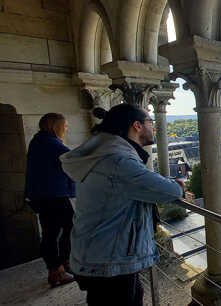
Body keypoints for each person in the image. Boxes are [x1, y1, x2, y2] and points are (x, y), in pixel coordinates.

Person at [60, 104, 185, 306]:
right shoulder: (118, 161)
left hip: (99, 254)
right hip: (110, 261)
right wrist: (177, 185)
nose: (153, 127)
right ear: (137, 126)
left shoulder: (105, 152)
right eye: (150, 122)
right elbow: (168, 191)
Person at [25, 113, 76, 287]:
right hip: (52, 195)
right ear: (55, 126)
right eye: (64, 125)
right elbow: (75, 159)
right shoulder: (50, 144)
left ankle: (61, 264)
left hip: (46, 194)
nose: (66, 129)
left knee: (56, 230)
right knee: (57, 231)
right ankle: (57, 269)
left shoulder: (39, 141)